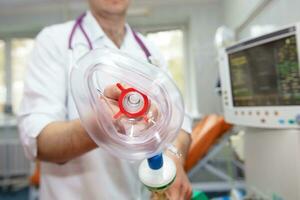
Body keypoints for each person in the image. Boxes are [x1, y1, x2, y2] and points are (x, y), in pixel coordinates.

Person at [18, 0, 192, 199]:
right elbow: (39, 141)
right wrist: (101, 125)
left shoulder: (149, 50)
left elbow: (179, 119)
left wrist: (174, 160)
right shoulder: (54, 41)